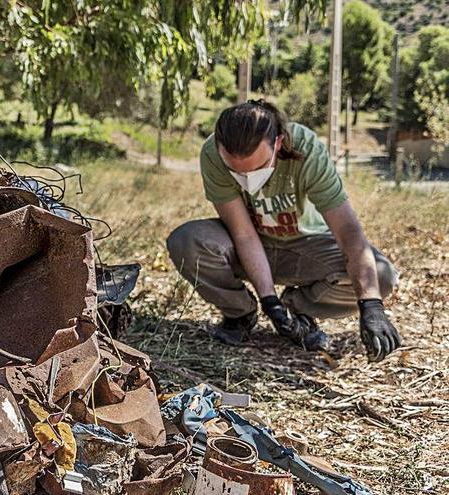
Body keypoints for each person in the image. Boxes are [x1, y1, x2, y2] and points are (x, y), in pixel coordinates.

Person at [166, 100, 401, 361]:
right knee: (187, 240)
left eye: (257, 167)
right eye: (235, 170)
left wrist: (371, 304)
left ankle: (297, 305)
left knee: (381, 276)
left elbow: (348, 232)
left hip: (305, 245)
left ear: (278, 143)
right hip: (250, 245)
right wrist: (268, 300)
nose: (247, 177)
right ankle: (240, 312)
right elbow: (243, 233)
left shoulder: (306, 147)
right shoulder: (212, 153)